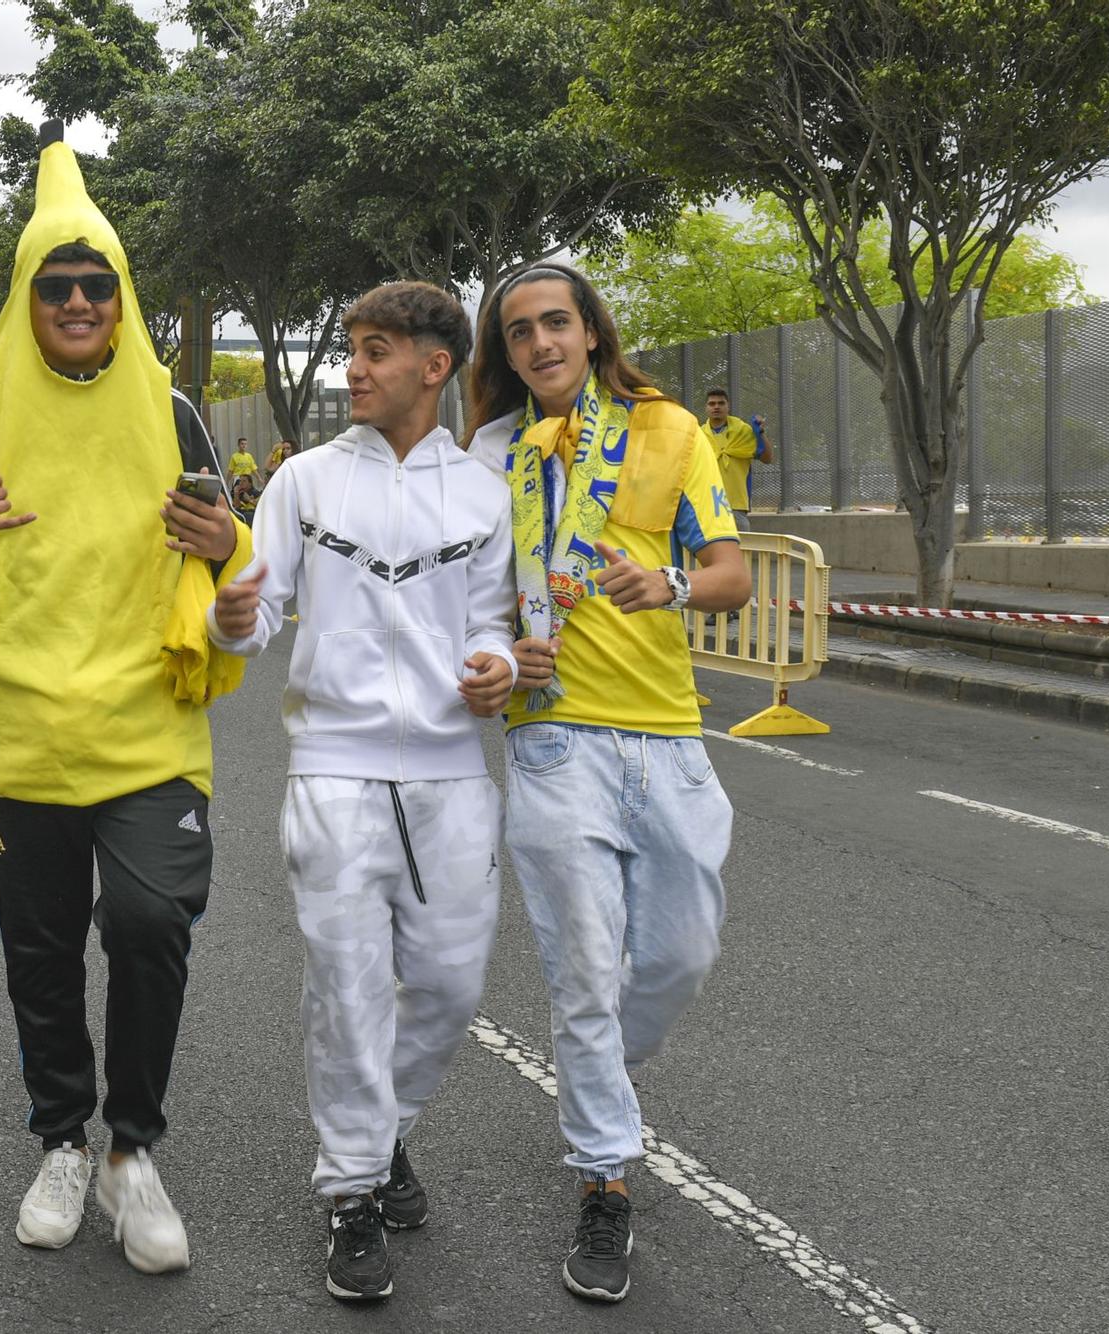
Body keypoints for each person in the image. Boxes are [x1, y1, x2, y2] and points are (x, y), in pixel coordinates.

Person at [0, 123, 251, 1276]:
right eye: (58, 284)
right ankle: (60, 1137)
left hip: (148, 730)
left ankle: (129, 1152)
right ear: (25, 296)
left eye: (99, 282)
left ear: (121, 291)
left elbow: (234, 565)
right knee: (40, 954)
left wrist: (230, 542)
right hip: (17, 740)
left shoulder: (176, 409)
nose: (81, 299)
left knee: (148, 926)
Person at [210, 282, 516, 1303]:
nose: (353, 368)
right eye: (351, 348)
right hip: (331, 767)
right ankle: (348, 1188)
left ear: (433, 367)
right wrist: (229, 606)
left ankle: (380, 1136)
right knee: (344, 985)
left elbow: (488, 620)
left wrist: (494, 665)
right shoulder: (300, 480)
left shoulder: (480, 493)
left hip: (448, 776)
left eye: (374, 350)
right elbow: (254, 625)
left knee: (446, 986)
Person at [463, 261, 751, 1305]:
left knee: (677, 953)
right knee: (581, 972)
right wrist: (500, 653)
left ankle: (602, 1085)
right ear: (503, 353)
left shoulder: (670, 429)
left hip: (667, 738)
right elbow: (469, 601)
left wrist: (664, 580)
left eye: (555, 322)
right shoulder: (485, 456)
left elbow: (729, 571)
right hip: (549, 742)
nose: (538, 342)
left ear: (588, 331)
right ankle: (604, 1178)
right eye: (517, 332)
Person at [702, 388, 771, 531]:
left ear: (728, 407)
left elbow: (767, 458)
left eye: (721, 403)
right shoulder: (699, 436)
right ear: (706, 408)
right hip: (706, 506)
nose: (716, 407)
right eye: (712, 403)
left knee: (741, 551)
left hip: (736, 506)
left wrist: (761, 432)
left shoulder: (743, 432)